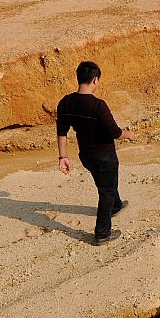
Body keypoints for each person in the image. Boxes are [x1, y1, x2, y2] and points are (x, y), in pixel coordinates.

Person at [55, 61, 135, 245]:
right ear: (95, 80)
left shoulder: (65, 103)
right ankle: (102, 234)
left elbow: (62, 131)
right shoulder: (98, 106)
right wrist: (129, 135)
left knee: (106, 183)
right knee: (106, 190)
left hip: (86, 156)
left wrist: (63, 157)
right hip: (105, 156)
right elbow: (114, 132)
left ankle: (116, 205)